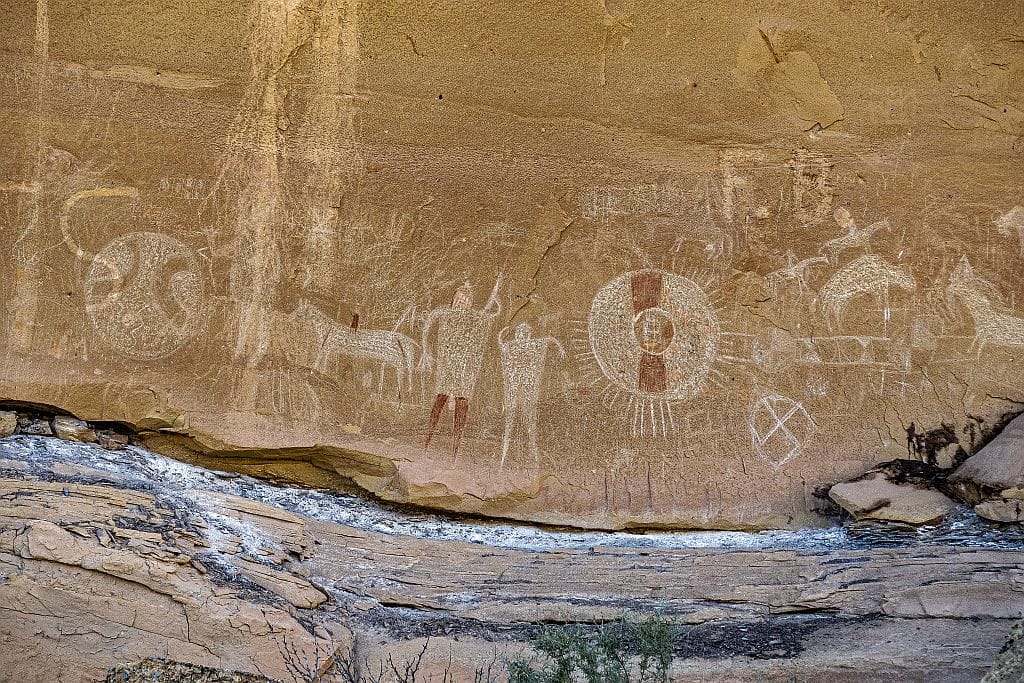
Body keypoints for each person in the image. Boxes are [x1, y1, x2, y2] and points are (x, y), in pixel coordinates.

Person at [421, 277, 502, 457]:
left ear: (469, 305)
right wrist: (426, 350)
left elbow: (489, 315)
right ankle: (427, 441)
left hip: (464, 372)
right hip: (446, 369)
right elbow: (428, 321)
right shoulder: (444, 312)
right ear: (453, 300)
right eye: (458, 300)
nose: (460, 304)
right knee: (438, 405)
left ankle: (455, 450)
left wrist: (495, 296)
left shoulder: (471, 316)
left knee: (461, 405)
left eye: (464, 302)